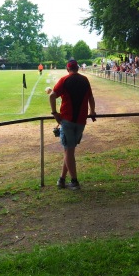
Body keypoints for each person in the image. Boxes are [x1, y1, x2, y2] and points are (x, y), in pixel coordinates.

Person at [49, 59, 96, 190]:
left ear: (67, 69)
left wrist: (54, 113)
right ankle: (62, 180)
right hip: (81, 121)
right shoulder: (85, 80)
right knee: (69, 150)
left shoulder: (64, 80)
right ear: (78, 68)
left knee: (68, 150)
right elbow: (91, 98)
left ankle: (74, 181)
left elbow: (52, 96)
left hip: (67, 121)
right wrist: (92, 111)